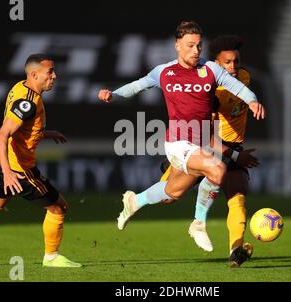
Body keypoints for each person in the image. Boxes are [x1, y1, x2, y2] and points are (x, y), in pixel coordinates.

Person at [98, 21, 265, 253]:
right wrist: (113, 95)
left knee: (172, 192)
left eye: (199, 46)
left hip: (202, 143)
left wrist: (253, 100)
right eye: (190, 46)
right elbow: (137, 86)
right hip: (177, 143)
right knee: (217, 169)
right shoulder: (164, 72)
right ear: (177, 46)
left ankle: (134, 201)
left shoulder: (211, 70)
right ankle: (198, 224)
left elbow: (239, 88)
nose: (196, 51)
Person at [0, 54, 82, 268]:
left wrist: (45, 133)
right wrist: (8, 172)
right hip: (17, 168)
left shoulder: (21, 87)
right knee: (59, 207)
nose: (55, 76)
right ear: (34, 74)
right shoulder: (28, 101)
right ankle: (51, 257)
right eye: (49, 72)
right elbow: (2, 135)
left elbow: (20, 129)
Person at [160, 35, 257, 267]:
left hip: (232, 149)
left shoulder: (244, 77)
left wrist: (234, 152)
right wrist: (234, 155)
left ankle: (236, 251)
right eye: (227, 63)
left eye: (236, 61)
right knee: (168, 197)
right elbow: (205, 134)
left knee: (237, 198)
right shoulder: (208, 90)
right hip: (205, 148)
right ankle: (138, 199)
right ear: (215, 64)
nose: (233, 67)